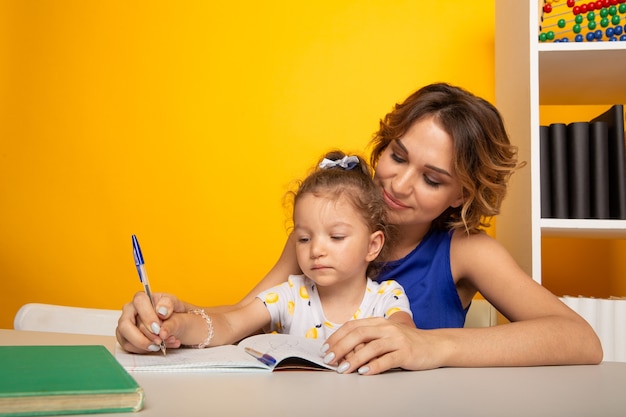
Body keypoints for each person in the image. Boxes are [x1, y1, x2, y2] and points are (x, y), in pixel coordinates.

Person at [116, 82, 603, 375]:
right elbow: (244, 317)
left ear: (461, 195)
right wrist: (174, 323)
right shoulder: (322, 232)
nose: (399, 183)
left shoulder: (466, 251)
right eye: (396, 156)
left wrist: (431, 344)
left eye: (433, 179)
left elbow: (580, 340)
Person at [127, 151, 414, 351]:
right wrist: (177, 326)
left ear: (373, 245)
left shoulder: (387, 298)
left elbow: (406, 336)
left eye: (336, 237)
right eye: (303, 239)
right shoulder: (290, 296)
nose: (316, 250)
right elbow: (230, 323)